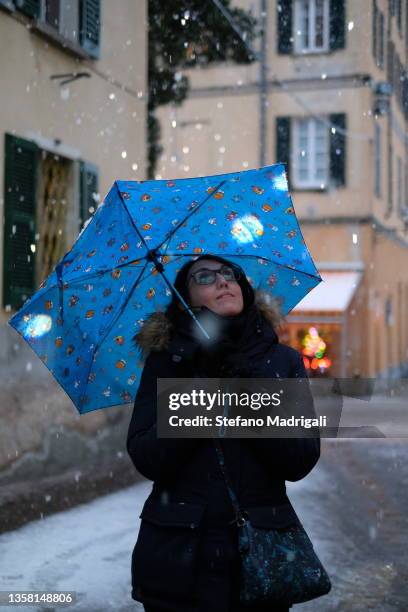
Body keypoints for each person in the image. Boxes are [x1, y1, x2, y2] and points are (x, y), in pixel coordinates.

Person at [126, 254, 321, 612]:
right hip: (178, 559)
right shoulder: (168, 360)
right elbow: (146, 455)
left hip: (260, 555)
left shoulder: (280, 362)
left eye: (229, 274)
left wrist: (247, 398)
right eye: (204, 277)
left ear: (244, 287)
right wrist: (201, 398)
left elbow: (300, 459)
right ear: (185, 297)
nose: (222, 281)